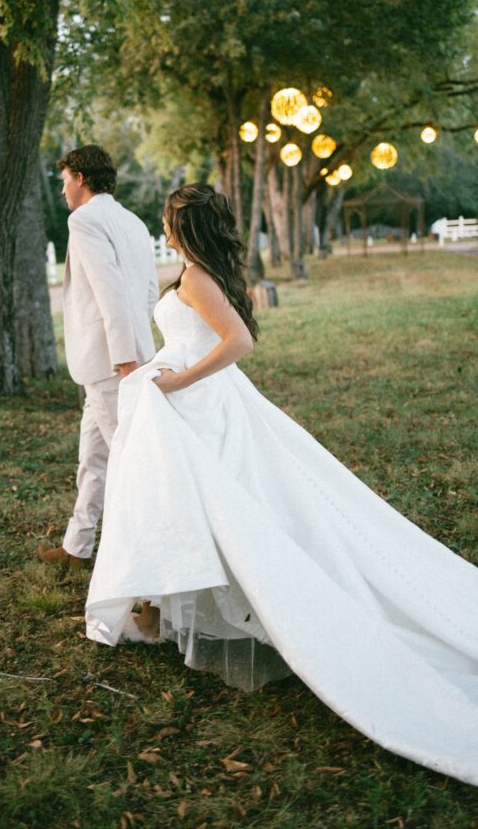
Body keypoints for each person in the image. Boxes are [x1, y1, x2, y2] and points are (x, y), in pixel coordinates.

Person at [85, 183, 478, 787]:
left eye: (167, 223)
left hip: (202, 407)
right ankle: (164, 611)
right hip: (187, 406)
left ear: (184, 228)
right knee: (187, 509)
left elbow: (238, 342)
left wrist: (179, 380)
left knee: (235, 511)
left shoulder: (196, 279)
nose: (162, 232)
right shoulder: (197, 271)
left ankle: (231, 608)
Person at [38, 145, 159, 568]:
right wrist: (138, 343)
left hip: (112, 362)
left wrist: (124, 357)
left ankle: (150, 557)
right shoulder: (131, 220)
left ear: (81, 179)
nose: (63, 189)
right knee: (93, 457)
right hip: (128, 354)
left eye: (65, 180)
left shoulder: (85, 219)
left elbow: (109, 289)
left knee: (130, 460)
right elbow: (148, 291)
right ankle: (77, 545)